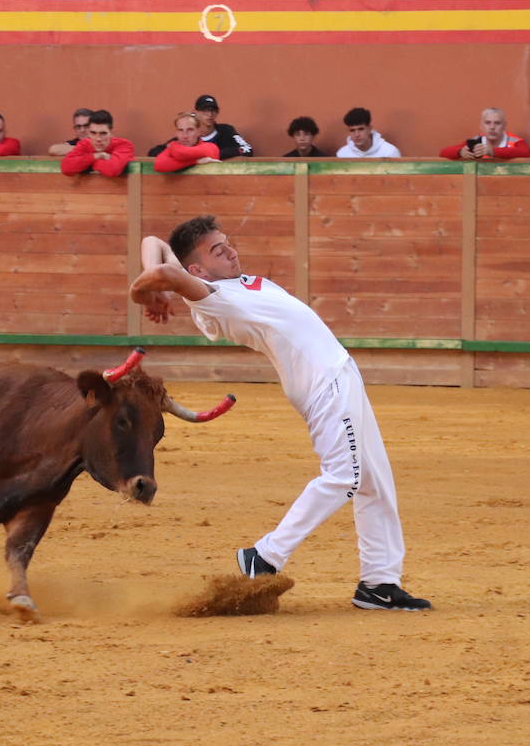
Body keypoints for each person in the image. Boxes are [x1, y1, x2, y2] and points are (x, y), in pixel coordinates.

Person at [128, 216, 432, 611]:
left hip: (338, 375)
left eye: (228, 243)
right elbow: (166, 270)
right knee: (345, 475)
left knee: (375, 480)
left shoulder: (227, 285)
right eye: (218, 250)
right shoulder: (213, 296)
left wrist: (155, 282)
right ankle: (266, 555)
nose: (231, 250)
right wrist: (146, 292)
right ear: (198, 270)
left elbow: (154, 242)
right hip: (325, 383)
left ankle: (379, 583)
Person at [60, 110, 136, 177]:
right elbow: (66, 168)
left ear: (111, 133)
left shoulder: (124, 144)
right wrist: (97, 156)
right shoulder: (85, 143)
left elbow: (112, 170)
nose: (98, 139)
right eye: (93, 133)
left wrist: (87, 164)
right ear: (88, 133)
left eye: (103, 133)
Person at [439, 108, 530, 160]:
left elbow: (526, 153)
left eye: (497, 123)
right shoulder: (476, 140)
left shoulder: (514, 140)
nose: (492, 127)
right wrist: (460, 152)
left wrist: (492, 151)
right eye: (488, 123)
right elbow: (443, 152)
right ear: (481, 126)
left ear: (504, 126)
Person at [153, 112, 223, 172]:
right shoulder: (174, 148)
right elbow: (159, 165)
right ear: (176, 133)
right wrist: (196, 161)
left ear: (199, 131)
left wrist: (173, 146)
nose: (185, 135)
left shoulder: (211, 147)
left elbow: (181, 153)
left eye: (190, 130)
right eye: (180, 130)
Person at [192, 94, 254, 158]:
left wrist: (217, 154)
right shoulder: (189, 134)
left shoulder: (226, 131)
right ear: (196, 112)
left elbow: (247, 149)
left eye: (213, 110)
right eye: (205, 110)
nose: (210, 114)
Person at [336, 107, 401, 159]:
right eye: (352, 130)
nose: (357, 135)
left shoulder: (389, 152)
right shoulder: (342, 154)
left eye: (361, 129)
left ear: (369, 129)